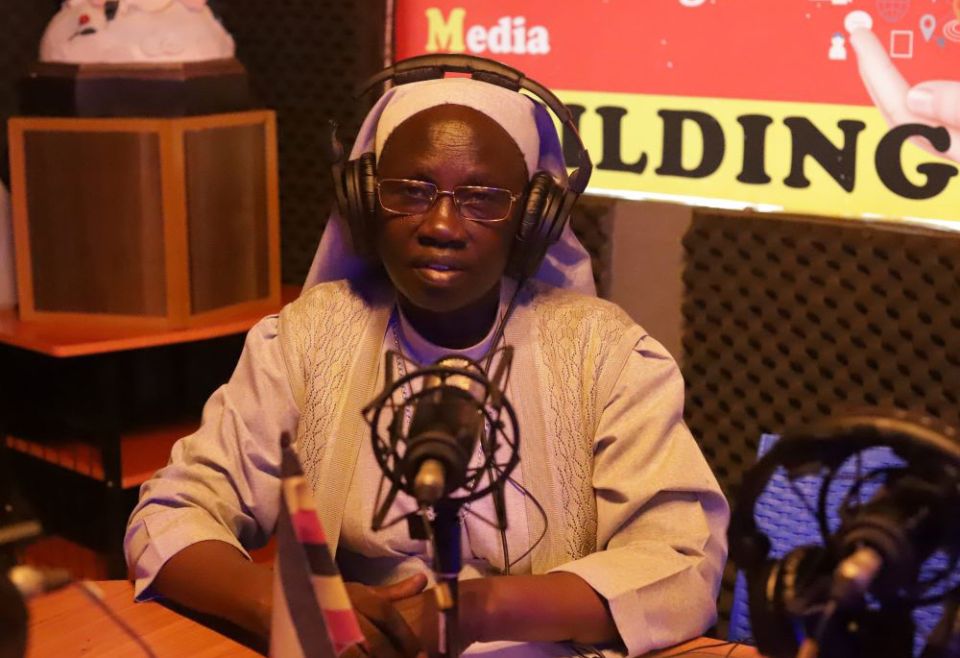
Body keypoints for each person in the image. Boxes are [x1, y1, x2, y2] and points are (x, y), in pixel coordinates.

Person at [125, 56, 729, 657]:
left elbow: (682, 563)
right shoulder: (305, 340)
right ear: (365, 202)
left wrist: (475, 611)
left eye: (483, 197)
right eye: (411, 191)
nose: (442, 224)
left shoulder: (609, 357)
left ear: (532, 216)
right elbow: (171, 511)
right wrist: (283, 602)